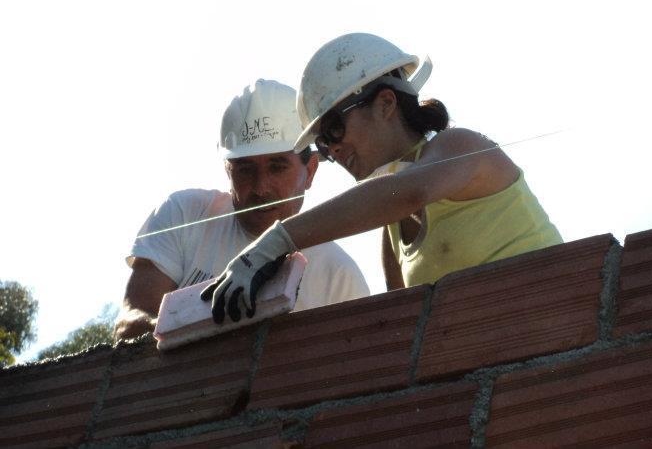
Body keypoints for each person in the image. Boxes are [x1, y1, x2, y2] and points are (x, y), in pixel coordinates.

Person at [202, 33, 563, 323]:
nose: (333, 150)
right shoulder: (392, 232)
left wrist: (273, 243)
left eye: (334, 129)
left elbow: (409, 191)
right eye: (324, 146)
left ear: (386, 103)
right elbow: (405, 325)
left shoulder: (461, 146)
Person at [114, 79, 370, 340]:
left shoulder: (337, 276)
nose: (260, 188)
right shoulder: (183, 214)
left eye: (277, 166)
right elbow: (129, 323)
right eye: (245, 169)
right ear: (228, 170)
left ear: (311, 170)